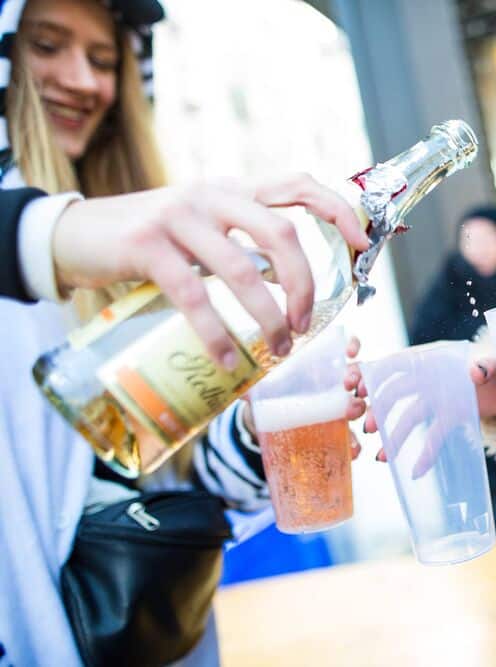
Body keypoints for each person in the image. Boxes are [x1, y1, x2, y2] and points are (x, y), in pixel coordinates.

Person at [0, 1, 365, 664]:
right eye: (46, 45)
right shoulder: (26, 258)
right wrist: (45, 237)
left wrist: (255, 434)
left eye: (105, 58)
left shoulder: (143, 244)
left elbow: (158, 493)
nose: (83, 79)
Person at [410, 205, 496, 535]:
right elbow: (424, 341)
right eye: (470, 239)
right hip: (471, 423)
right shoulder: (449, 283)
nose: (480, 247)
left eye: (489, 237)